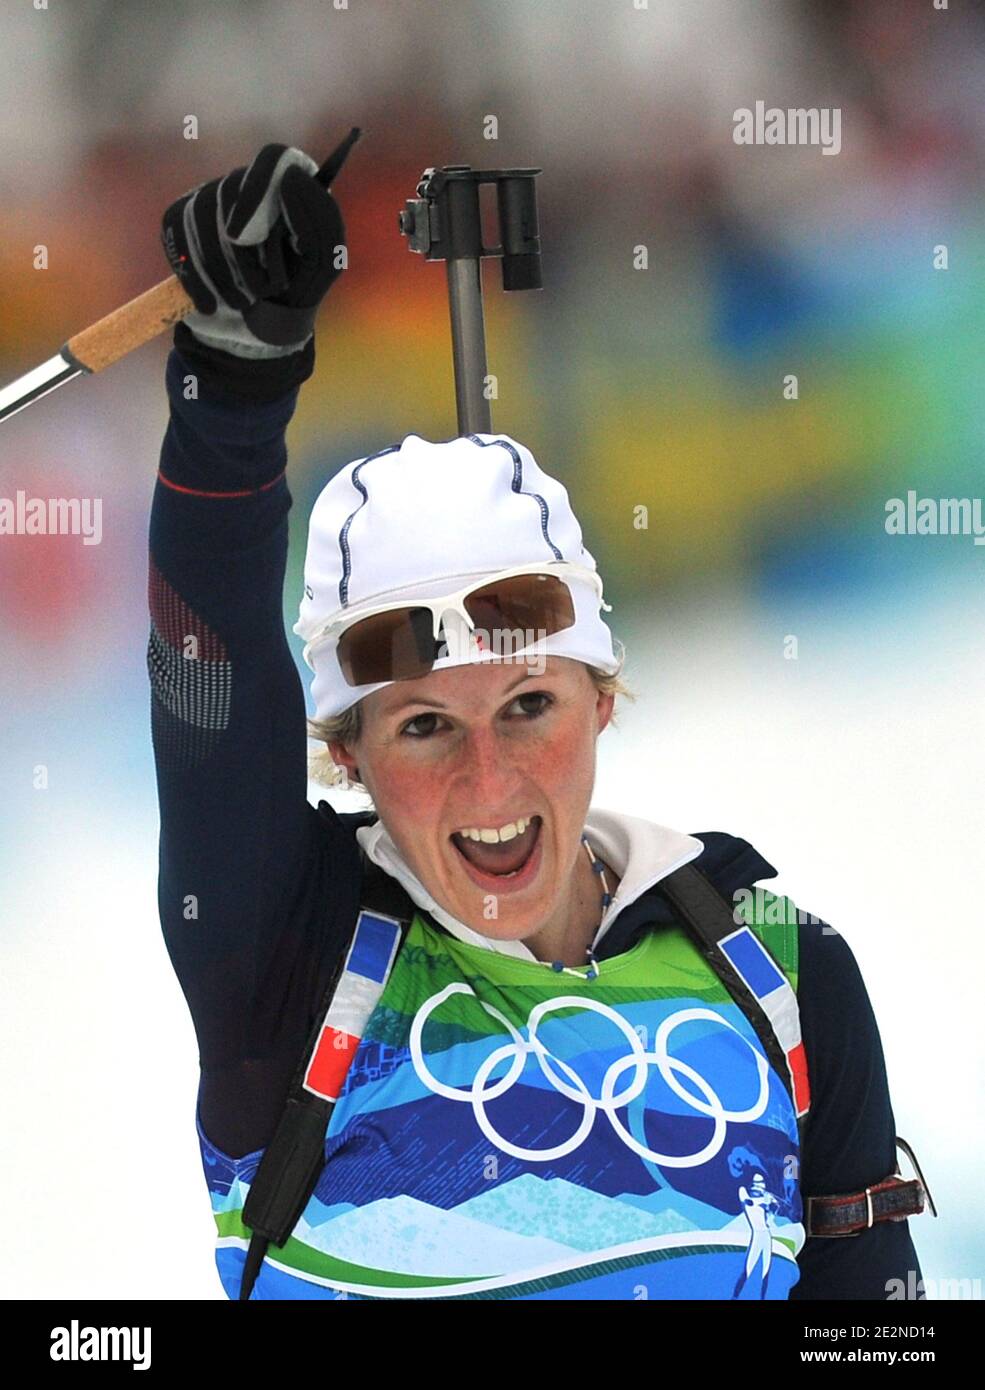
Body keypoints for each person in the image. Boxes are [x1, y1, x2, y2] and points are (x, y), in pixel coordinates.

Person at [149, 139, 927, 1301]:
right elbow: (204, 667)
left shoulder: (779, 968)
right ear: (344, 753)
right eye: (421, 727)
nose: (490, 779)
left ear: (604, 697)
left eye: (527, 706)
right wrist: (233, 381)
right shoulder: (290, 959)